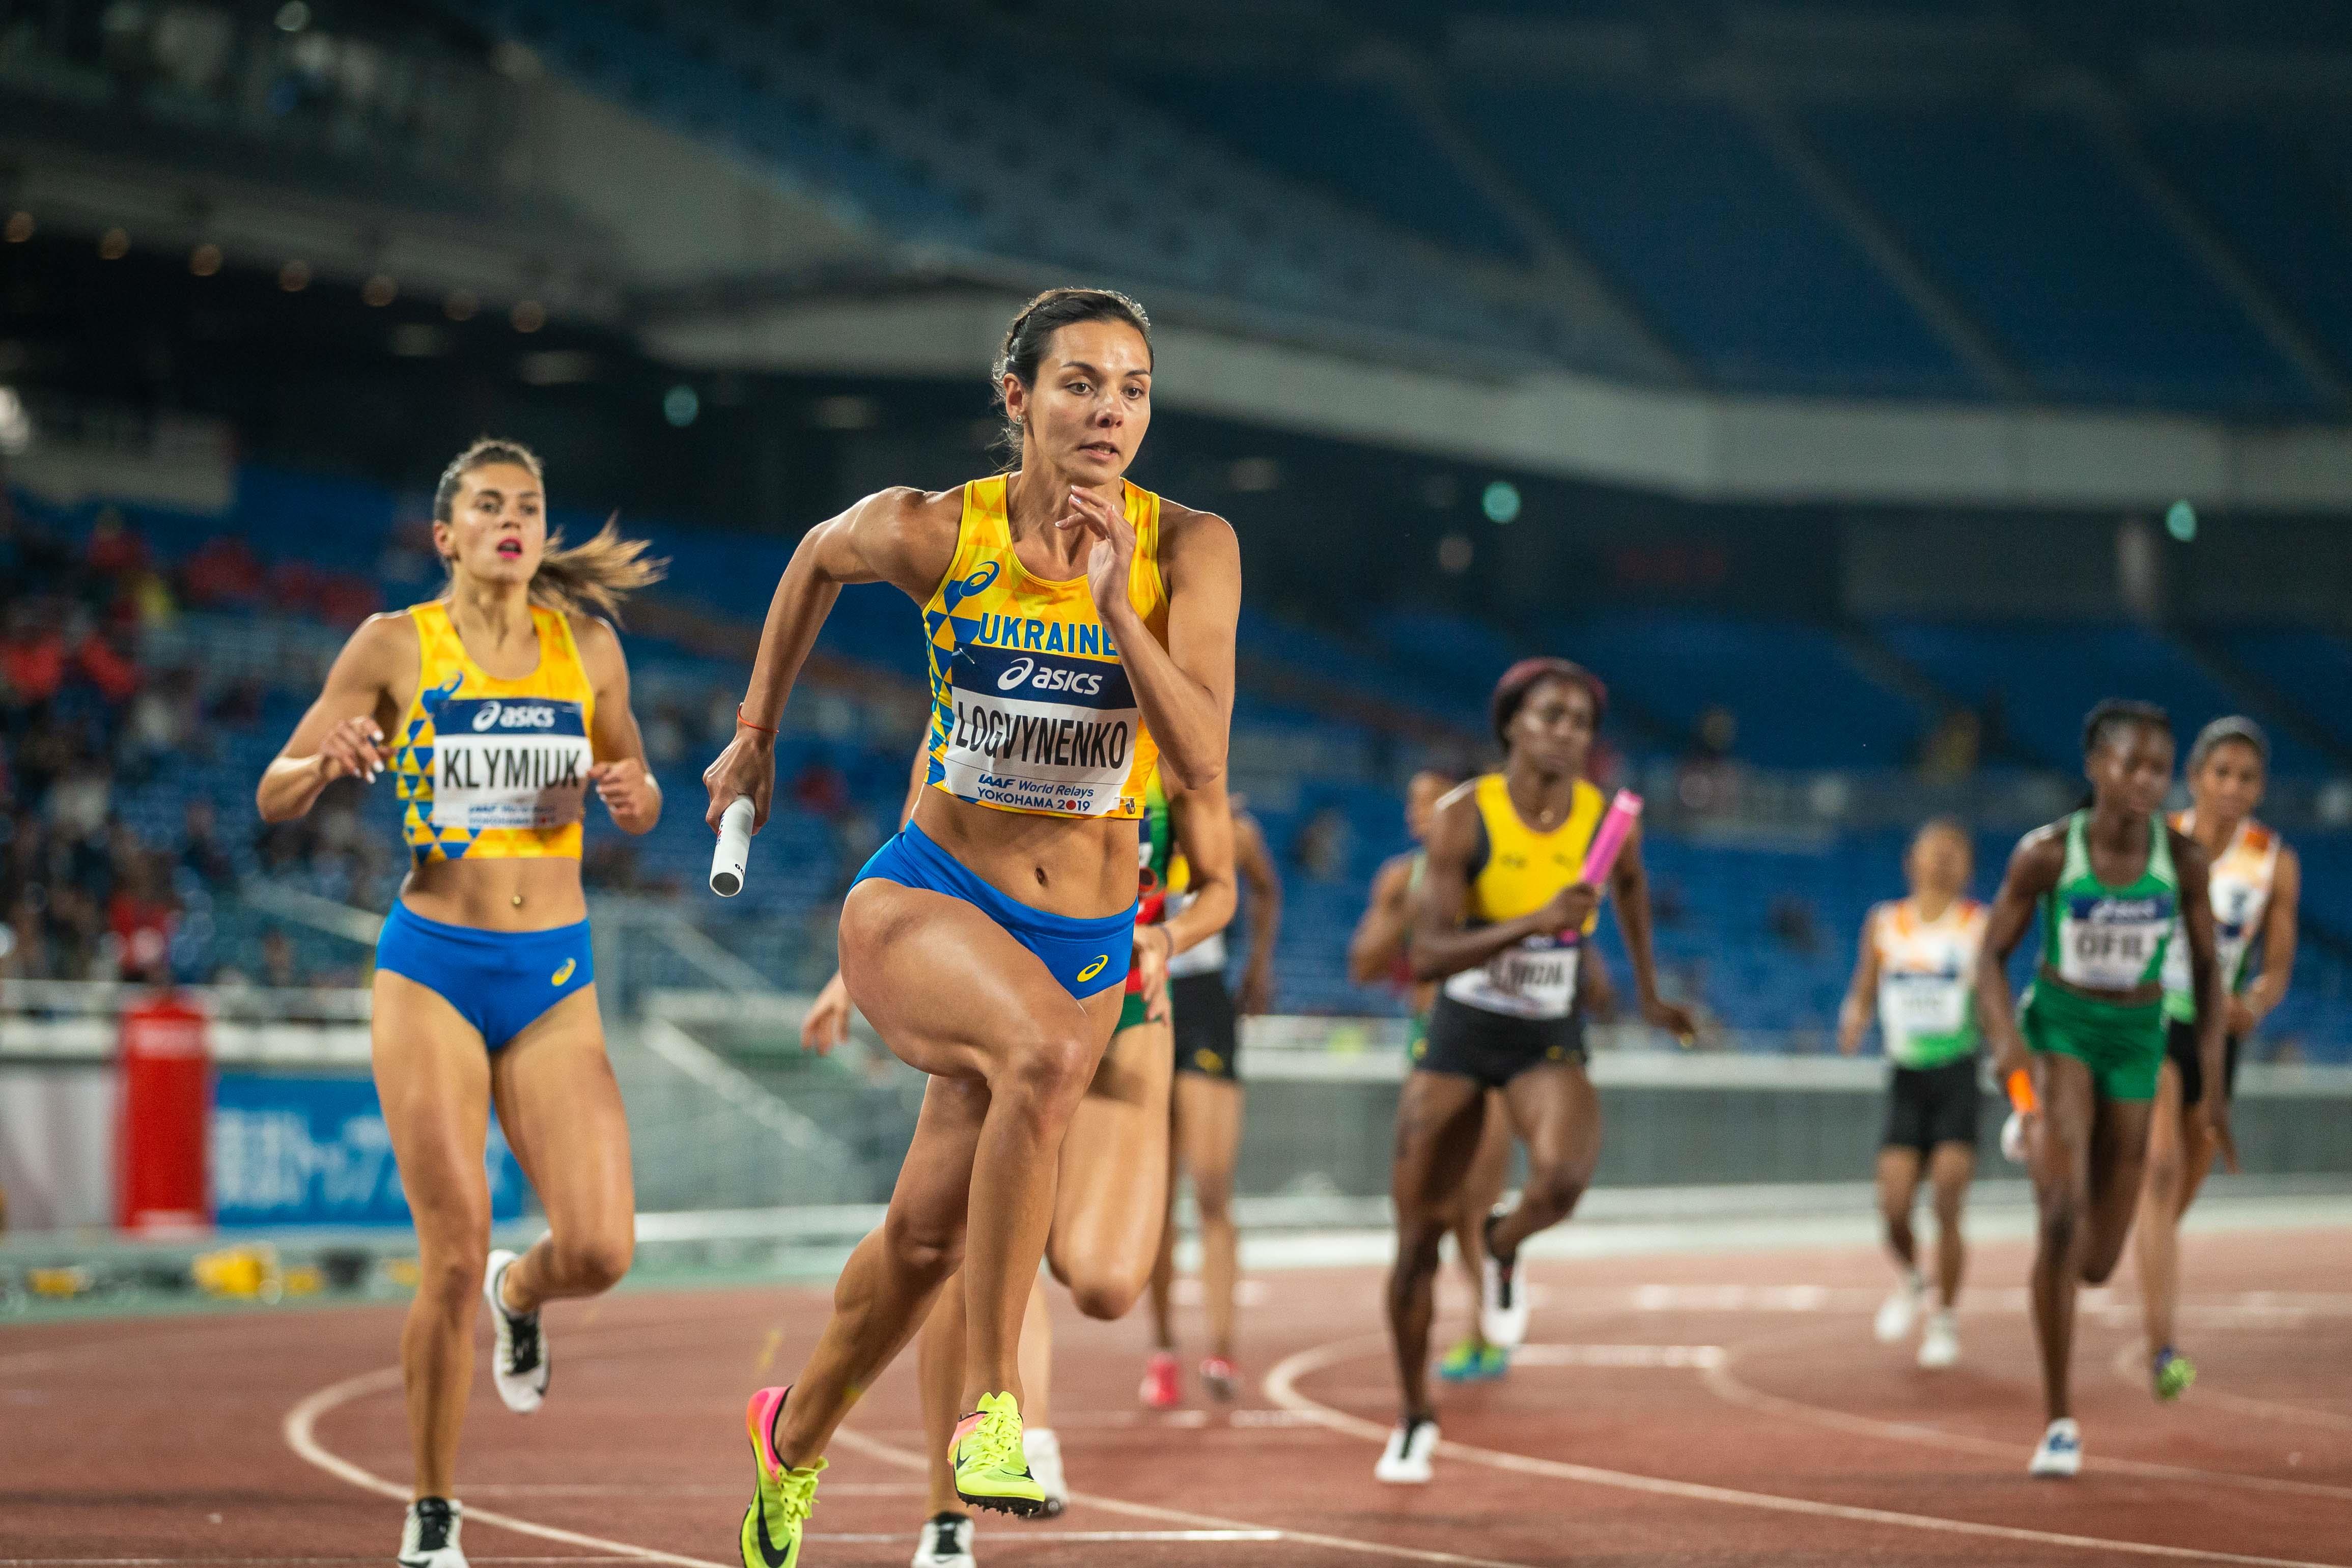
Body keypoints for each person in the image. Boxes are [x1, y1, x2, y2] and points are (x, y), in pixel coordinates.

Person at [702, 287, 1238, 1568]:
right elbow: (811, 561)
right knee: (1047, 1057)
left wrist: (1118, 611)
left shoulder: (1192, 549)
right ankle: (993, 1410)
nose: (1110, 411)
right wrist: (758, 732)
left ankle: (795, 1433)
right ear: (1019, 399)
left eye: (1134, 389)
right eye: (1080, 384)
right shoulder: (936, 529)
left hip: (1089, 937)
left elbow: (1204, 759)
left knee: (926, 1238)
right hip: (930, 897)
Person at [258, 438, 662, 1568]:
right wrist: (328, 760)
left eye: (528, 504)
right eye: (488, 505)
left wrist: (636, 793)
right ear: (446, 535)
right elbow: (273, 791)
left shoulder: (588, 647)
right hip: (432, 964)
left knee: (602, 1246)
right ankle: (434, 1513)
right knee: (446, 1247)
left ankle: (520, 1292)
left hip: (554, 977)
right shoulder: (395, 643)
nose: (511, 520)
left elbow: (634, 798)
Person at [805, 750, 1237, 1568]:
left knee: (1108, 1283)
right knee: (963, 1243)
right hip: (1000, 983)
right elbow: (918, 854)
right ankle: (956, 1503)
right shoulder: (994, 689)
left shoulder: (1175, 732)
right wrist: (847, 972)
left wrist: (1170, 936)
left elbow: (1221, 886)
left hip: (1127, 1002)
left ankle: (987, 1393)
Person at [1377, 660, 1695, 1485]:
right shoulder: (1462, 817)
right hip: (1460, 1034)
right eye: (1551, 715)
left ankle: (1503, 1243)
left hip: (1545, 1033)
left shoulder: (1608, 820)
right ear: (1512, 724)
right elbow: (1426, 956)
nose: (1567, 732)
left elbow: (1629, 891)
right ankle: (1415, 1416)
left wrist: (1652, 996)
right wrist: (1532, 924)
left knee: (1561, 1181)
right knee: (1414, 1242)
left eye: (1582, 722)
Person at [1975, 700, 2224, 1478]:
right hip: (2061, 1030)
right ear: (2095, 766)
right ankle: (2058, 1421)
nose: (2146, 780)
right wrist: (2008, 1041)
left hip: (2138, 1040)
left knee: (2096, 1260)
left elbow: (2212, 976)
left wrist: (2209, 1085)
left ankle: (2050, 1150)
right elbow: (1989, 958)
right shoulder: (2048, 855)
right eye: (2131, 764)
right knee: (2059, 1219)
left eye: (2158, 767)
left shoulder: (2182, 863)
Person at [2134, 717, 2297, 1401]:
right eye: (2220, 773)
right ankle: (2162, 1350)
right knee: (2161, 1166)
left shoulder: (2272, 861)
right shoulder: (2153, 843)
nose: (2232, 787)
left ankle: (2135, 1244)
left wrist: (2253, 1005)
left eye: (2247, 777)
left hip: (2214, 1039)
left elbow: (2275, 970)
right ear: (2195, 777)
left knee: (2176, 1199)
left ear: (2260, 788)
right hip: (2150, 1020)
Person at [1141, 793, 1280, 1408]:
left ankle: (1221, 1346)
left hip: (1201, 1002)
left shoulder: (1231, 826)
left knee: (1212, 1185)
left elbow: (1267, 889)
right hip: (1134, 998)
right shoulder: (1113, 805)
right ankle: (1163, 1350)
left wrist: (1260, 965)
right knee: (1156, 1195)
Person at [1836, 819, 1989, 1370]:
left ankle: (1944, 1318)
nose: (1943, 861)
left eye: (1955, 852)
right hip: (1906, 1075)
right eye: (1933, 851)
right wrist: (1853, 1019)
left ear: (1968, 867)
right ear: (1912, 860)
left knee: (1948, 1196)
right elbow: (1863, 988)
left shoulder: (1977, 923)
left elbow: (1994, 999)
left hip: (1957, 1073)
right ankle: (1913, 1277)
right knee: (1894, 1207)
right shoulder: (1884, 922)